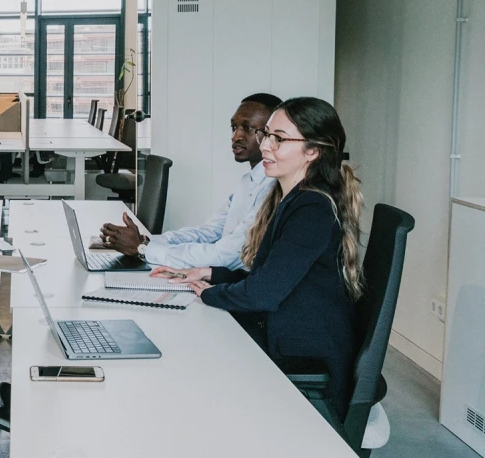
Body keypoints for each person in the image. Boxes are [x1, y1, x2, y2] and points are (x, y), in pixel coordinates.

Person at [152, 97, 364, 417]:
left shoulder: (312, 209)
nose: (265, 146)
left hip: (301, 348)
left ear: (313, 150)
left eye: (279, 139)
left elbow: (262, 293)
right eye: (266, 135)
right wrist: (210, 274)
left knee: (189, 350)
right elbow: (266, 277)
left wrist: (209, 294)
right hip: (284, 329)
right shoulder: (291, 198)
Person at [101, 93, 281, 270]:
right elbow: (209, 232)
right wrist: (147, 241)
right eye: (234, 127)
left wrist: (143, 249)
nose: (236, 136)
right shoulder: (248, 181)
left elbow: (226, 256)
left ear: (272, 134)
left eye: (247, 128)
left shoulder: (272, 189)